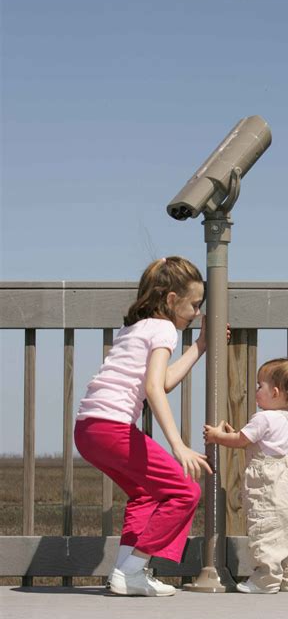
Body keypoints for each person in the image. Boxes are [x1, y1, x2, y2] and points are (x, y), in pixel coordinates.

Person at [74, 256, 213, 597]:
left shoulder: (137, 327)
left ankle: (125, 573)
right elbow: (153, 388)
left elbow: (161, 380)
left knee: (144, 494)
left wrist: (200, 346)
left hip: (88, 429)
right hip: (112, 427)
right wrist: (178, 445)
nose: (196, 313)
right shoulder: (164, 328)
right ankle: (135, 567)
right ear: (170, 300)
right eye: (194, 305)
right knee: (185, 491)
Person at [204, 357, 288, 594]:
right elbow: (253, 441)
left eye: (259, 385)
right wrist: (238, 435)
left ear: (274, 392)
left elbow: (242, 440)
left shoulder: (264, 418)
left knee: (267, 525)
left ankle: (266, 579)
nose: (256, 390)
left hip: (270, 484)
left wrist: (216, 436)